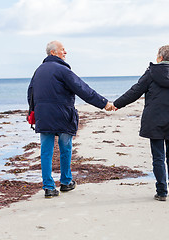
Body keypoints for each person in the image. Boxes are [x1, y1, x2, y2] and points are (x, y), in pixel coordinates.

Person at [27, 40, 115, 198]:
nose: (65, 52)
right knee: (65, 148)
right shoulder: (62, 70)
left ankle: (48, 187)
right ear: (53, 52)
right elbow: (83, 89)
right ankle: (66, 182)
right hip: (63, 115)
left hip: (44, 116)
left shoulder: (38, 71)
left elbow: (31, 94)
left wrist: (33, 112)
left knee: (46, 151)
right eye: (62, 50)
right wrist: (104, 103)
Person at [113, 45, 169, 201]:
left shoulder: (151, 73)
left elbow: (135, 91)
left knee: (158, 157)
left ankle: (162, 191)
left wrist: (116, 104)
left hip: (154, 120)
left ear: (160, 57)